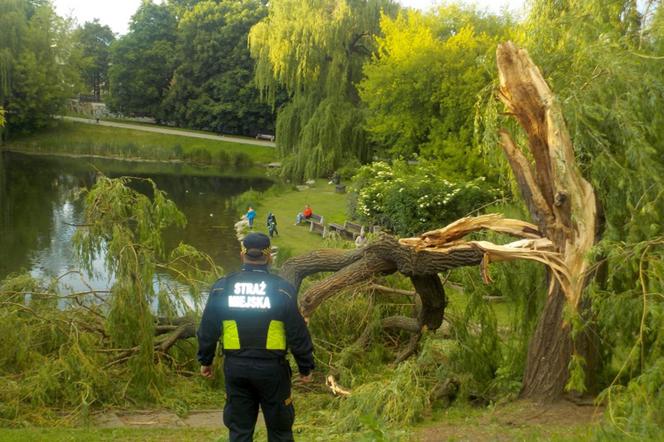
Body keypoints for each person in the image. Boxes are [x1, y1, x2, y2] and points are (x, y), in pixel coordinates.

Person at [197, 233, 314, 442]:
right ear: (269, 257)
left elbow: (207, 328)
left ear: (242, 254)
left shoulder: (223, 287)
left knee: (240, 431)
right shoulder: (282, 290)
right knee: (280, 432)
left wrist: (205, 360)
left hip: (236, 369)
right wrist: (305, 367)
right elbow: (297, 333)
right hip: (273, 371)